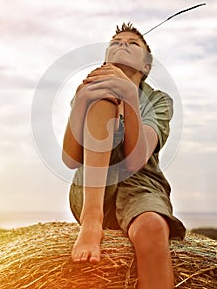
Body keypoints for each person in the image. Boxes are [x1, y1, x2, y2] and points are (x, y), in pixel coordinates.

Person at [62, 22, 186, 289]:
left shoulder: (158, 101)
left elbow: (134, 161)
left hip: (142, 187)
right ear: (106, 57)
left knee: (153, 228)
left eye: (133, 44)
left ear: (146, 66)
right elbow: (70, 159)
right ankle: (91, 221)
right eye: (115, 43)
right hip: (91, 191)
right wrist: (82, 101)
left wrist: (129, 96)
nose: (122, 45)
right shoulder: (90, 88)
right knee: (101, 97)